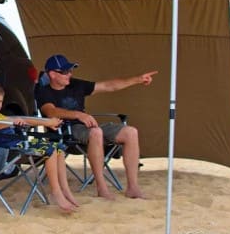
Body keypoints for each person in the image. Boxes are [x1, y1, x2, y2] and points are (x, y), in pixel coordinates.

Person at [35, 54, 157, 200]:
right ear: (53, 74)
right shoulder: (43, 90)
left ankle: (133, 187)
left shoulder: (75, 84)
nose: (70, 74)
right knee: (96, 132)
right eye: (65, 72)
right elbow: (50, 111)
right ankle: (101, 186)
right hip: (66, 131)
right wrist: (79, 115)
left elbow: (108, 86)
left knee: (130, 132)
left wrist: (137, 79)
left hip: (88, 126)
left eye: (70, 71)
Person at [0, 81, 79, 213]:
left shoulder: (0, 115)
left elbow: (26, 119)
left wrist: (47, 122)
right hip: (5, 152)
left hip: (17, 146)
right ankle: (56, 192)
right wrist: (13, 121)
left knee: (58, 147)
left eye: (0, 101)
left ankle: (65, 189)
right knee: (50, 149)